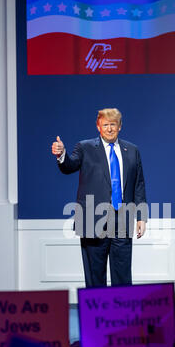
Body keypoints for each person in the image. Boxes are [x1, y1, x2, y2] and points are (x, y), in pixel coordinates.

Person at [51, 108, 147, 287]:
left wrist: (141, 217)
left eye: (113, 125)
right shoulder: (85, 147)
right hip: (93, 218)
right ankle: (96, 315)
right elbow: (69, 166)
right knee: (95, 278)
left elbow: (139, 184)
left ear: (120, 127)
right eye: (105, 125)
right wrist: (61, 155)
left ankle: (122, 314)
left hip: (122, 219)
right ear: (98, 126)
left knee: (123, 276)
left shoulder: (132, 150)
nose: (109, 129)